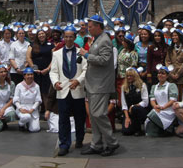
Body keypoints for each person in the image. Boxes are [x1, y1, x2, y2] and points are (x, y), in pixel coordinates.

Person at [79, 15, 119, 157]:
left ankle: (112, 142)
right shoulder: (97, 39)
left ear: (97, 26)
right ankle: (96, 144)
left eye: (90, 27)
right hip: (93, 84)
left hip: (101, 85)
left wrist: (86, 55)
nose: (88, 29)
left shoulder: (105, 41)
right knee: (94, 116)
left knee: (98, 114)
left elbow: (104, 60)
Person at [50, 25, 87, 156]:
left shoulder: (81, 52)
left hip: (77, 89)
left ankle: (79, 139)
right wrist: (55, 82)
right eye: (66, 37)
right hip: (63, 90)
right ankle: (64, 144)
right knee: (63, 119)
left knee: (79, 117)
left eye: (71, 37)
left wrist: (78, 81)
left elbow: (85, 70)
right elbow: (53, 71)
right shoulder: (56, 54)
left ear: (75, 37)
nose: (69, 39)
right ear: (63, 38)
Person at [146, 65, 178, 137]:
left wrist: (163, 107)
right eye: (159, 73)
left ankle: (168, 128)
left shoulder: (171, 86)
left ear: (167, 76)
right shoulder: (154, 87)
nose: (160, 75)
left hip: (168, 111)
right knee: (149, 121)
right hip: (158, 109)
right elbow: (152, 100)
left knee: (152, 115)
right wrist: (155, 106)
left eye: (163, 73)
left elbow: (173, 100)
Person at [28, 29, 53, 116]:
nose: (41, 35)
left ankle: (47, 111)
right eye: (39, 34)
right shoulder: (32, 45)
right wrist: (34, 68)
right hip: (36, 72)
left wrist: (48, 69)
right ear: (37, 36)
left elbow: (54, 58)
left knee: (46, 92)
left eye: (43, 34)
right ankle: (34, 112)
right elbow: (28, 57)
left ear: (45, 35)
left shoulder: (50, 45)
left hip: (47, 72)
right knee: (35, 92)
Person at [120, 68, 149, 136]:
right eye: (127, 76)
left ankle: (139, 129)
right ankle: (132, 125)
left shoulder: (142, 85)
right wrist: (127, 117)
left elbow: (145, 102)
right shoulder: (124, 87)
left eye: (131, 76)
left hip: (140, 110)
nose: (129, 77)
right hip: (129, 113)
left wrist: (133, 106)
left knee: (135, 109)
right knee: (126, 131)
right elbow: (124, 104)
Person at [13, 67, 42, 132]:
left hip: (32, 109)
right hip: (23, 107)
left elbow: (38, 100)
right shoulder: (19, 86)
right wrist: (20, 108)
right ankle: (21, 124)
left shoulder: (36, 86)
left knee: (35, 129)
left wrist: (33, 109)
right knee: (26, 117)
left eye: (31, 74)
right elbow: (16, 99)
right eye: (28, 75)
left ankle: (29, 123)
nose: (30, 76)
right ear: (24, 76)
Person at [166, 30, 183, 99]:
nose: (174, 37)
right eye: (173, 36)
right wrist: (171, 73)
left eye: (176, 35)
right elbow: (167, 61)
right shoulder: (170, 49)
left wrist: (178, 73)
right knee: (172, 96)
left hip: (182, 76)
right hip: (172, 77)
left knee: (181, 96)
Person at [116, 33, 138, 106]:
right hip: (119, 75)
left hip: (127, 77)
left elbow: (133, 65)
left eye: (124, 41)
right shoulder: (122, 51)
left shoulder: (133, 53)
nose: (122, 43)